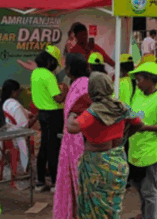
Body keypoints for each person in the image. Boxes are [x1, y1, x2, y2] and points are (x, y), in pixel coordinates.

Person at [67, 72, 144, 219]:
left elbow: (72, 128)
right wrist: (124, 138)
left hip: (97, 165)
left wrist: (71, 115)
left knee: (95, 209)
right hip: (118, 161)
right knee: (112, 206)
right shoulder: (121, 106)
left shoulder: (94, 111)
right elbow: (139, 123)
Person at [127, 62, 157, 219]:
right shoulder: (137, 95)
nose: (137, 83)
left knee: (149, 190)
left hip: (151, 153)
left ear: (150, 79)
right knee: (138, 186)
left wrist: (145, 127)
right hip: (135, 150)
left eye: (140, 79)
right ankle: (145, 214)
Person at [53, 53, 92, 219]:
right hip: (72, 141)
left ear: (70, 68)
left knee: (79, 184)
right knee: (72, 183)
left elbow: (83, 115)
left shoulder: (83, 85)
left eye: (66, 66)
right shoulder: (77, 84)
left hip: (79, 141)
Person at [30, 45, 68, 192]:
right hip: (54, 115)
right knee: (54, 149)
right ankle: (54, 182)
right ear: (50, 61)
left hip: (42, 114)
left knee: (44, 147)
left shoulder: (35, 73)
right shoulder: (48, 75)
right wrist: (65, 91)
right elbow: (58, 98)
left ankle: (40, 182)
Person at [0, 79, 36, 183]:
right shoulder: (15, 105)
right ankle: (26, 169)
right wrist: (36, 117)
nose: (19, 94)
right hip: (16, 138)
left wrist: (29, 114)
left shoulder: (5, 103)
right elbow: (25, 127)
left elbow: (21, 113)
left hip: (7, 135)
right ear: (13, 92)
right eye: (18, 91)